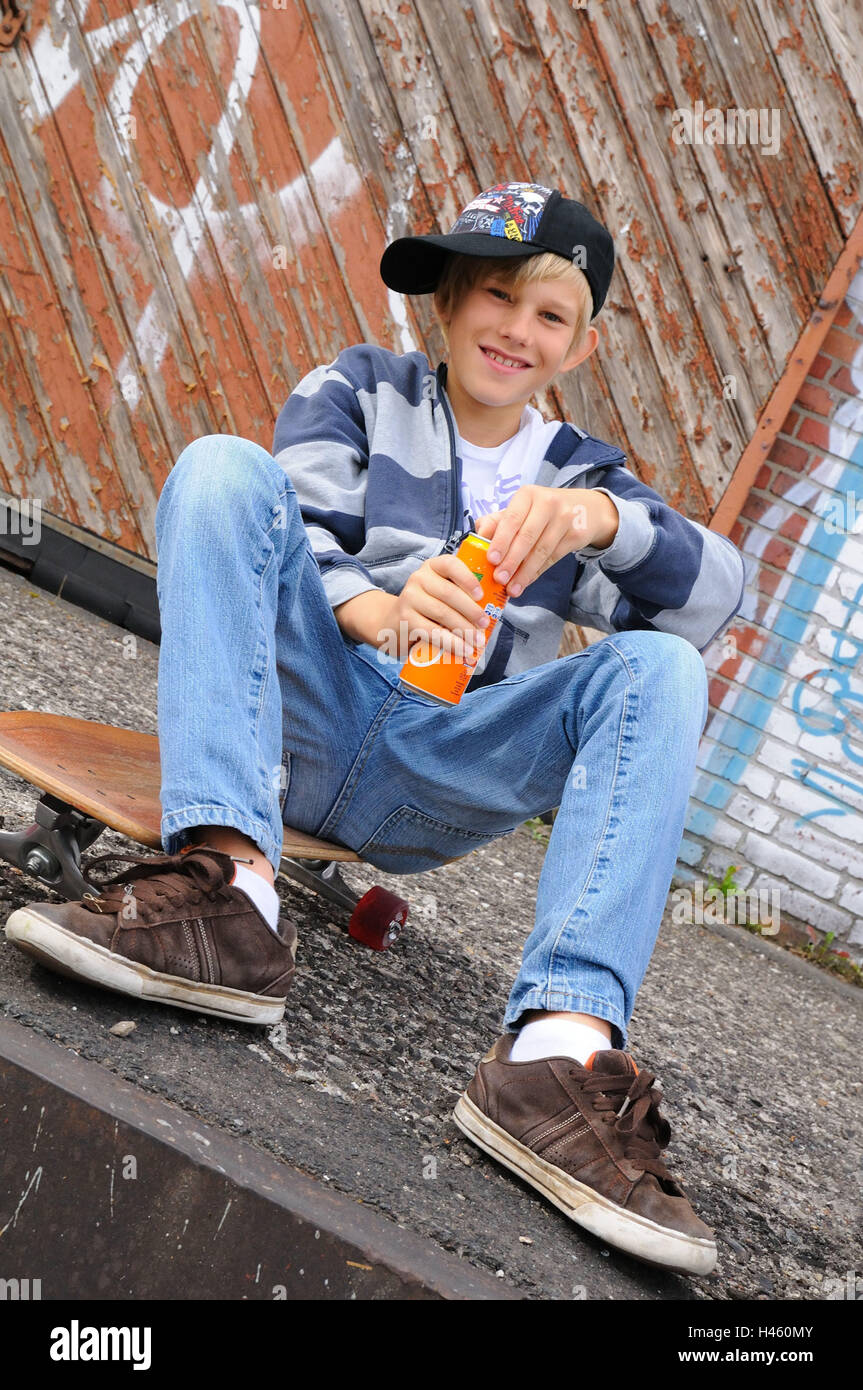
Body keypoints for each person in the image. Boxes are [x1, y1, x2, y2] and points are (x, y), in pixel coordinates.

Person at [5, 182, 744, 1276]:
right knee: (219, 465)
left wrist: (598, 520)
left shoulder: (578, 474)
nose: (514, 330)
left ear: (578, 344)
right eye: (495, 296)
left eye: (548, 314)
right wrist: (382, 612)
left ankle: (555, 1046)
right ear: (444, 305)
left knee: (663, 666)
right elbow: (288, 522)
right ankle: (230, 893)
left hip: (441, 767)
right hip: (305, 708)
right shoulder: (359, 387)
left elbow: (714, 599)